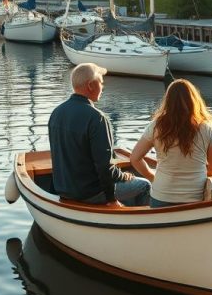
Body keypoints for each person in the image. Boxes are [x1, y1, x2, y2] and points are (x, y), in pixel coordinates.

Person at [48, 63, 151, 207]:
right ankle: (135, 224)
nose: (103, 87)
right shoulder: (97, 118)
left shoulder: (56, 113)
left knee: (126, 178)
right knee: (144, 185)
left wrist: (122, 176)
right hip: (90, 193)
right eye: (101, 82)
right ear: (91, 85)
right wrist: (112, 199)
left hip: (64, 190)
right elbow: (105, 168)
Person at [129, 79, 212, 208]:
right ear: (194, 100)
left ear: (168, 101)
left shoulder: (155, 126)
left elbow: (135, 158)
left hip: (162, 195)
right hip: (194, 198)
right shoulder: (206, 129)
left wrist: (153, 177)